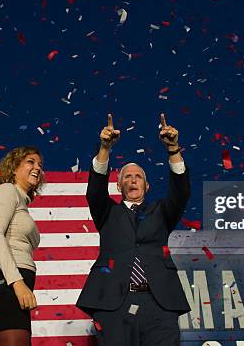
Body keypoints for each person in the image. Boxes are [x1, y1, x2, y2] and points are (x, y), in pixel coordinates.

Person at [76, 113, 191, 346]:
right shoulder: (107, 212)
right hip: (114, 303)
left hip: (159, 302)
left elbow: (181, 192)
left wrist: (173, 149)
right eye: (127, 176)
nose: (133, 180)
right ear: (119, 185)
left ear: (147, 185)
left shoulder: (162, 211)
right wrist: (105, 149)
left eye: (138, 176)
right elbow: (95, 191)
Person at [0, 146, 43, 346]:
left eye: (40, 164)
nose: (37, 167)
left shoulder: (20, 200)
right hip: (3, 283)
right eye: (30, 162)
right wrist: (17, 283)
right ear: (13, 168)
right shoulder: (6, 190)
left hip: (10, 285)